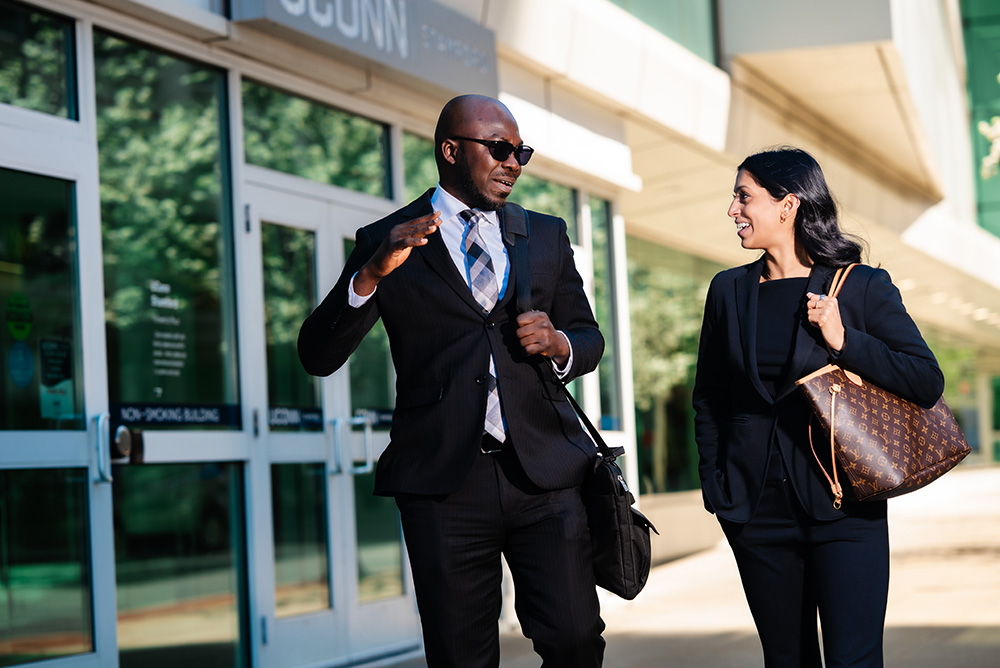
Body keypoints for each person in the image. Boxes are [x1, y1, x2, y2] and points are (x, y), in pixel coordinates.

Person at [298, 94, 606, 668]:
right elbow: (317, 355)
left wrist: (560, 343)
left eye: (521, 151)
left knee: (574, 638)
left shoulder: (543, 234)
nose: (513, 162)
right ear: (450, 150)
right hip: (443, 484)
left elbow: (589, 338)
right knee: (460, 656)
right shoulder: (387, 238)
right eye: (499, 148)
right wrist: (369, 274)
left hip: (544, 475)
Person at [692, 147, 944, 667]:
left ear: (787, 205)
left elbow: (925, 380)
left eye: (744, 196)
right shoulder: (728, 290)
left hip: (844, 505)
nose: (733, 209)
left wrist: (846, 340)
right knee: (786, 660)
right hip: (754, 510)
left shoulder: (861, 286)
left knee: (854, 659)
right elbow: (710, 396)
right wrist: (717, 486)